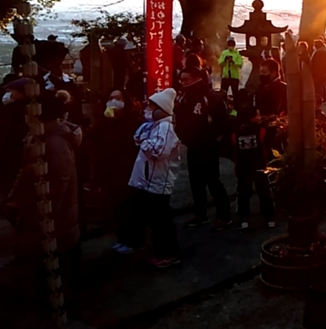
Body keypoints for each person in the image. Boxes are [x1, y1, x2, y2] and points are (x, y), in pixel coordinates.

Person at [8, 90, 81, 291]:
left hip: (56, 221)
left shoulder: (55, 143)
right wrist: (14, 198)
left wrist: (43, 215)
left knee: (58, 273)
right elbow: (24, 171)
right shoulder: (35, 138)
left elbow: (59, 184)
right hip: (39, 215)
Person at [117, 88, 183, 268]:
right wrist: (145, 140)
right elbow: (137, 137)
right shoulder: (153, 125)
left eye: (152, 106)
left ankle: (169, 253)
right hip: (147, 180)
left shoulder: (165, 128)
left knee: (162, 221)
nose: (148, 109)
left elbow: (157, 151)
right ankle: (157, 249)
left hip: (158, 181)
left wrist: (145, 141)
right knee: (153, 219)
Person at [176, 67, 232, 231]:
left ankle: (224, 215)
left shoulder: (210, 97)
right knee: (195, 182)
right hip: (192, 145)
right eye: (181, 79)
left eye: (185, 79)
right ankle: (200, 213)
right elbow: (179, 118)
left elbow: (223, 122)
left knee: (213, 181)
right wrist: (183, 137)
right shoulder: (183, 97)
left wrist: (216, 142)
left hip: (208, 146)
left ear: (195, 78)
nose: (182, 83)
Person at [94, 89, 143, 248]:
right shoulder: (103, 122)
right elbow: (98, 147)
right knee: (117, 207)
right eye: (111, 98)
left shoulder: (135, 121)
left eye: (118, 98)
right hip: (112, 171)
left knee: (132, 207)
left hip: (131, 169)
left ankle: (135, 240)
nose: (114, 101)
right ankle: (123, 238)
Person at [232, 92, 275, 231]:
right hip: (260, 165)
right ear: (251, 118)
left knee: (243, 192)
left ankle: (244, 218)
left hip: (242, 167)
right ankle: (269, 217)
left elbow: (233, 149)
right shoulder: (262, 130)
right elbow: (267, 145)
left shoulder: (235, 132)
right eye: (257, 115)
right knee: (264, 191)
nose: (259, 117)